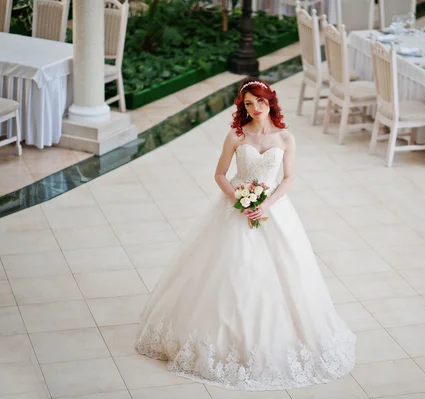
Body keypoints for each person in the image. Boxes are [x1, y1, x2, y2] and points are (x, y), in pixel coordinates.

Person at [134, 78, 356, 391]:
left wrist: (268, 205)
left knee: (287, 275)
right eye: (248, 104)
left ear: (270, 102)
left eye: (259, 102)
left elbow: (289, 178)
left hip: (272, 209)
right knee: (228, 272)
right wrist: (238, 198)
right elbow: (220, 174)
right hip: (236, 207)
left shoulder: (286, 138)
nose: (255, 108)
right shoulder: (236, 135)